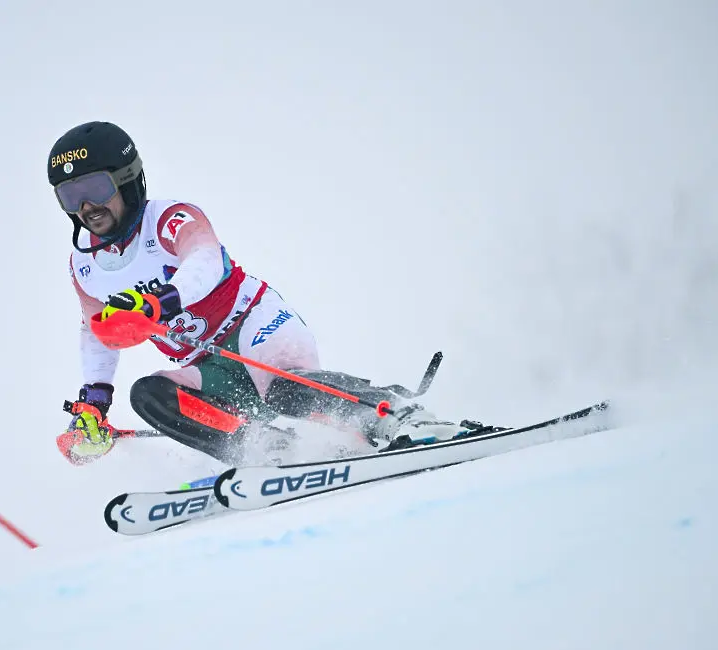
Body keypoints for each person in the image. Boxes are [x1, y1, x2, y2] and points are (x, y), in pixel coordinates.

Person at [49, 121, 473, 465]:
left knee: (283, 389)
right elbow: (96, 331)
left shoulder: (169, 218)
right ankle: (271, 451)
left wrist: (160, 302)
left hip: (254, 326)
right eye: (71, 196)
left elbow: (204, 260)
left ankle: (401, 417)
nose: (86, 208)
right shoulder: (83, 263)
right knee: (148, 394)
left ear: (125, 180)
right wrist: (95, 403)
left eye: (96, 190)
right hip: (203, 363)